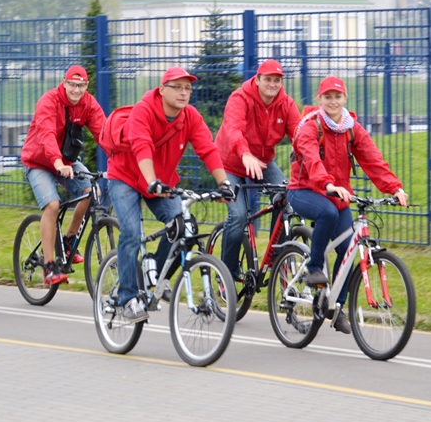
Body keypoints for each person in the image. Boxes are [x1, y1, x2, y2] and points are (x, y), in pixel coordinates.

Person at [107, 66, 234, 322]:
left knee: (184, 226)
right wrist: (152, 181)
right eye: (177, 87)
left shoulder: (190, 117)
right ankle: (127, 297)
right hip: (126, 178)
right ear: (162, 89)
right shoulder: (144, 110)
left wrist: (224, 184)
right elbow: (141, 145)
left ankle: (154, 271)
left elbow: (207, 149)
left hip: (160, 182)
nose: (184, 92)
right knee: (131, 232)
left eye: (188, 88)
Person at [288, 76, 408, 334]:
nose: (333, 101)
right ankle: (314, 268)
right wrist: (327, 184)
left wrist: (394, 187)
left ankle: (336, 306)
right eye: (328, 97)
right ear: (319, 100)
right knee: (328, 212)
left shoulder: (351, 127)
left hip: (338, 194)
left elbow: (372, 158)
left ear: (345, 99)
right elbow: (310, 157)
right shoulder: (311, 125)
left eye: (338, 96)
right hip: (304, 190)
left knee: (348, 249)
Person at [214, 59, 301, 281]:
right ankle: (226, 272)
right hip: (230, 161)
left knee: (286, 198)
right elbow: (233, 129)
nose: (272, 84)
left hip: (261, 162)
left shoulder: (286, 104)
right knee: (239, 214)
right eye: (268, 79)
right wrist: (245, 153)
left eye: (277, 80)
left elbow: (300, 134)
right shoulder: (240, 98)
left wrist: (306, 153)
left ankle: (276, 258)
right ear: (258, 79)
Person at [21, 65, 105, 286]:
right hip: (38, 162)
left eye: (81, 86)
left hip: (65, 162)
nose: (76, 90)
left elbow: (104, 134)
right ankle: (49, 268)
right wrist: (57, 162)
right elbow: (46, 134)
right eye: (72, 85)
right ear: (64, 83)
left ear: (86, 86)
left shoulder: (88, 104)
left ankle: (68, 241)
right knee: (53, 205)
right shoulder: (49, 101)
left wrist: (120, 159)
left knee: (92, 191)